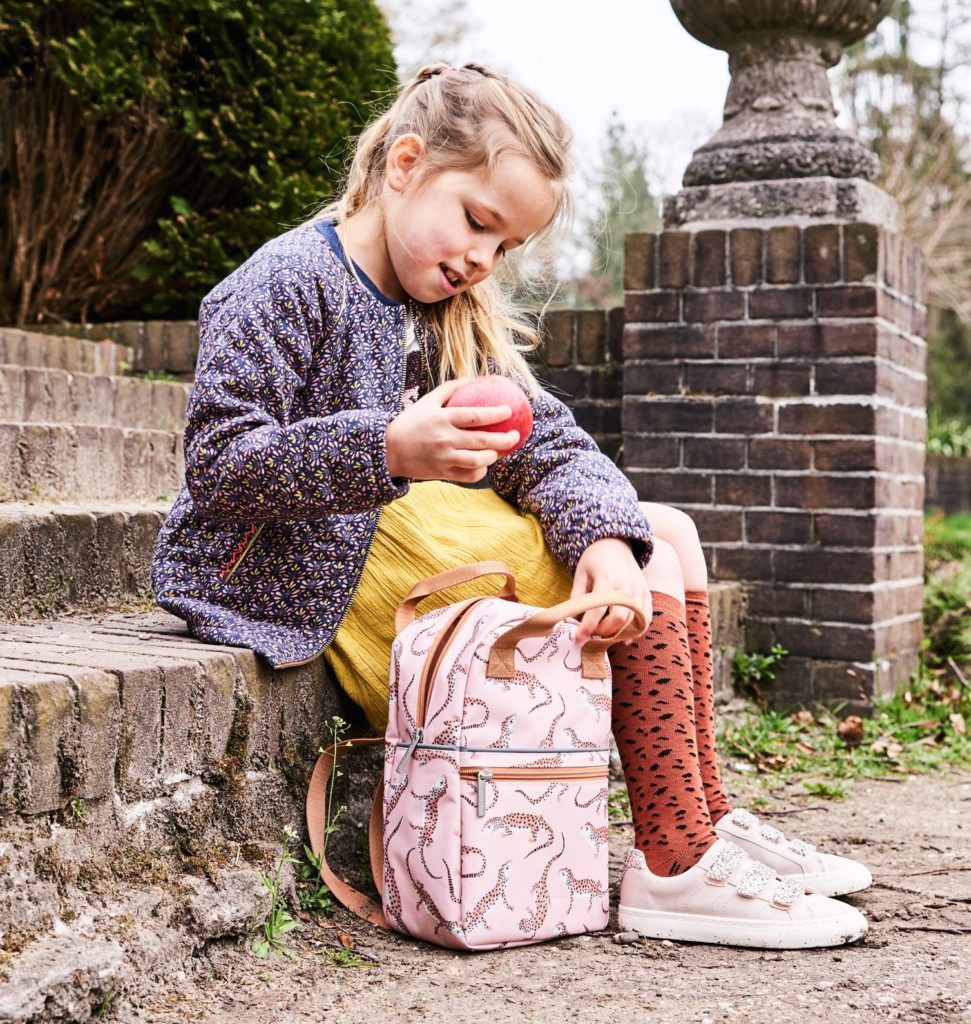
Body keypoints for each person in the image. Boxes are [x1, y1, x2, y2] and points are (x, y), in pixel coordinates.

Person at [151, 61, 871, 949]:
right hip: (304, 565)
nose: (480, 261)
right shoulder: (284, 282)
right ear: (404, 164)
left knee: (659, 533)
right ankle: (673, 867)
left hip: (396, 527)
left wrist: (605, 539)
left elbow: (555, 444)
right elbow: (219, 465)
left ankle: (698, 827)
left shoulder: (453, 313)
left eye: (504, 248)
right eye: (477, 224)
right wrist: (385, 449)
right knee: (647, 544)